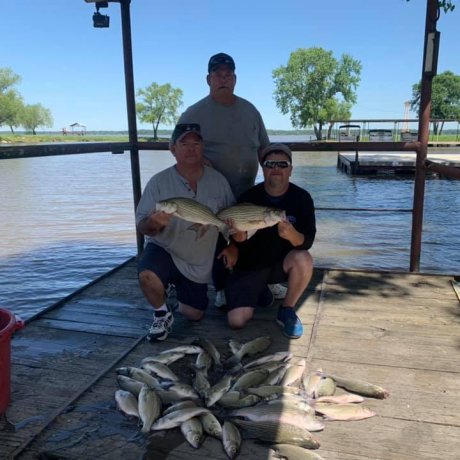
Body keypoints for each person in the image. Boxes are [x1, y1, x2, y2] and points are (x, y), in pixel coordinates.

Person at [178, 52, 286, 303]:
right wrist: (198, 161)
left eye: (228, 74)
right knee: (215, 236)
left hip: (247, 189)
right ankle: (221, 287)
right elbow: (177, 146)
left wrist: (272, 178)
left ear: (235, 79)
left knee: (258, 232)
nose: (223, 78)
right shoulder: (194, 113)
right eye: (217, 74)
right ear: (208, 79)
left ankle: (265, 279)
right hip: (211, 191)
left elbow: (264, 149)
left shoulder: (250, 110)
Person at [135, 123, 235, 341]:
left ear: (203, 147)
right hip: (165, 249)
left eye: (196, 143)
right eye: (184, 144)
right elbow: (142, 226)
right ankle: (161, 312)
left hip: (198, 261)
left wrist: (233, 244)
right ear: (173, 149)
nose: (191, 149)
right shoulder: (158, 182)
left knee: (194, 314)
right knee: (147, 275)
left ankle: (174, 289)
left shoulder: (218, 181)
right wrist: (154, 223)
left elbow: (232, 219)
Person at [219, 143, 316, 339]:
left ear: (290, 169)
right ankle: (261, 291)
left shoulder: (302, 198)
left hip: (281, 265)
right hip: (250, 266)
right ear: (263, 169)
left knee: (304, 258)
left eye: (282, 164)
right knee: (236, 321)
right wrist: (237, 238)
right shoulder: (249, 197)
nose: (276, 169)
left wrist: (292, 235)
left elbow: (307, 241)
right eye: (270, 164)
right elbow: (239, 241)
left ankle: (287, 309)